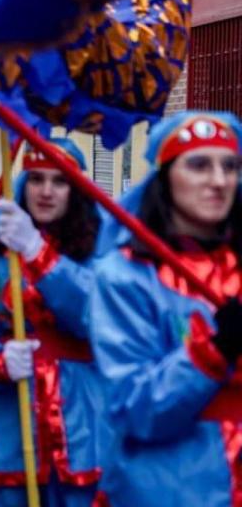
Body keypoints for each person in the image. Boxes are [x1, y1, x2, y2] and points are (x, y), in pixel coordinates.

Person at [88, 111, 242, 507]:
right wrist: (213, 351)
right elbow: (134, 409)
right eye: (199, 165)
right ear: (166, 176)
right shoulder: (125, 277)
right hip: (170, 488)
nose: (219, 181)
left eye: (230, 166)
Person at [0, 139, 104, 506]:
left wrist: (38, 253)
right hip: (5, 431)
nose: (46, 191)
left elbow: (104, 319)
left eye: (59, 181)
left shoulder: (102, 248)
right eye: (36, 179)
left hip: (83, 429)